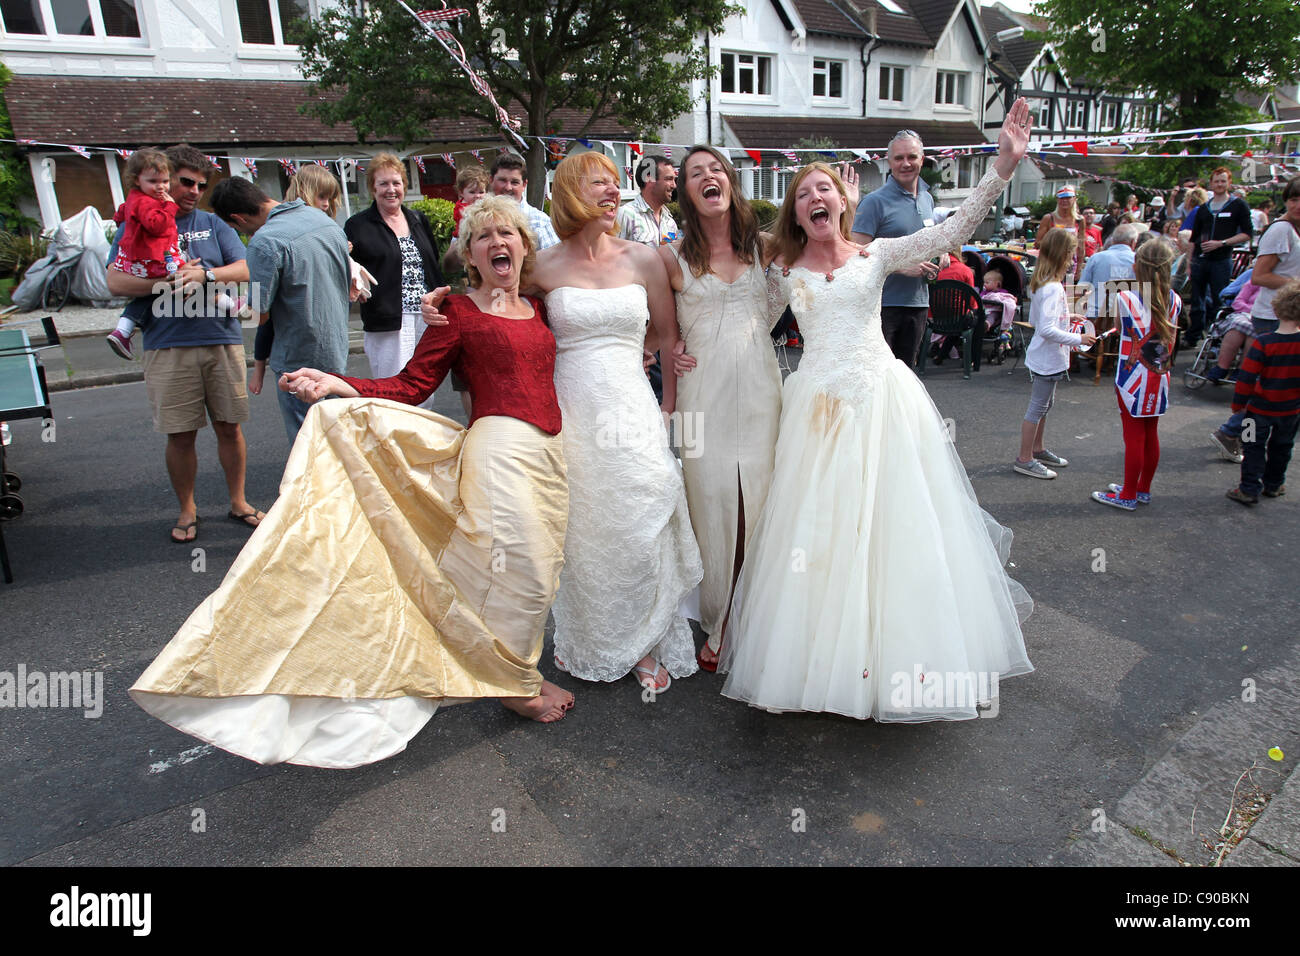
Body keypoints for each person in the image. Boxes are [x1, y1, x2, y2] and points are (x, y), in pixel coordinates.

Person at [130, 196, 574, 768]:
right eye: (483, 236)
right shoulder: (456, 313)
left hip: (552, 455)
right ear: (470, 255)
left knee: (540, 571)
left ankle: (495, 664)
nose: (497, 243)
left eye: (506, 232)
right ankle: (516, 686)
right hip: (498, 452)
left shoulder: (540, 308)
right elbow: (411, 385)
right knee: (525, 572)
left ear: (523, 245)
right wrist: (339, 383)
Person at [716, 98, 1038, 722]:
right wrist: (682, 350)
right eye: (802, 192)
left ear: (841, 201)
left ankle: (897, 663)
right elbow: (749, 325)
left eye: (823, 188)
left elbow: (949, 233)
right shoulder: (784, 271)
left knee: (895, 526)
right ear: (797, 213)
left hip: (882, 399)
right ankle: (819, 662)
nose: (814, 197)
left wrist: (1001, 169)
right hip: (817, 410)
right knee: (819, 529)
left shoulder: (877, 255)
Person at [510, 150, 701, 694]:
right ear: (570, 191)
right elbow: (493, 310)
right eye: (598, 182)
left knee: (644, 510)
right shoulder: (540, 266)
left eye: (615, 182)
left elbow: (665, 338)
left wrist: (669, 408)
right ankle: (594, 638)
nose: (612, 190)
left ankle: (644, 642)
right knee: (589, 527)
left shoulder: (644, 259)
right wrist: (439, 307)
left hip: (633, 404)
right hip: (571, 411)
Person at [657, 145, 794, 671]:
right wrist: (667, 363)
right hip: (699, 402)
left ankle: (747, 619)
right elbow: (651, 329)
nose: (708, 177)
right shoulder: (669, 259)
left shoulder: (765, 248)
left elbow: (832, 253)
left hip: (762, 392)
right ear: (685, 193)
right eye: (696, 173)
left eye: (716, 169)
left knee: (756, 502)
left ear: (730, 183)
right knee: (707, 503)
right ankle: (715, 615)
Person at [105, 145, 263, 542]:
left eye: (201, 185)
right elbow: (115, 282)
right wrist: (168, 282)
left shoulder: (214, 225)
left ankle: (239, 502)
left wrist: (204, 277)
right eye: (185, 182)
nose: (194, 190)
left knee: (230, 428)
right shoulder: (136, 222)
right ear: (163, 179)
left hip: (220, 340)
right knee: (180, 434)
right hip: (167, 344)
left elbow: (246, 267)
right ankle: (187, 509)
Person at [210, 177, 352, 444]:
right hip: (335, 348)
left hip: (297, 359)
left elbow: (258, 313)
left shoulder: (265, 241)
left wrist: (222, 302)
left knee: (308, 446)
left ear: (238, 218)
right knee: (336, 437)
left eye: (236, 228)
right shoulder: (322, 219)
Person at [344, 153, 448, 407]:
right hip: (388, 320)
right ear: (373, 188)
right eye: (383, 184)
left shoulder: (417, 219)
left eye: (397, 182)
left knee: (424, 388)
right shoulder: (358, 225)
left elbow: (431, 262)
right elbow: (344, 265)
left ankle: (420, 442)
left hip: (425, 316)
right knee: (392, 391)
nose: (391, 190)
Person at [1210, 176, 1300, 460]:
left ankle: (1241, 437)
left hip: (1287, 316)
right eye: (1293, 199)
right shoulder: (1281, 230)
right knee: (1265, 389)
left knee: (1274, 389)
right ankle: (1237, 435)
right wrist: (1296, 283)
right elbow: (1260, 276)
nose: (1297, 205)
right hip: (1272, 318)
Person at [250, 165, 355, 396]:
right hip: (327, 343)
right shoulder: (328, 229)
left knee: (308, 424)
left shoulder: (272, 236)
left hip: (302, 347)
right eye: (321, 196)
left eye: (330, 197)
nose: (326, 203)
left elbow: (259, 311)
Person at [1090, 240, 1180, 510]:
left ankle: (1128, 494)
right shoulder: (1174, 298)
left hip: (1132, 377)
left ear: (1136, 267)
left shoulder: (1126, 297)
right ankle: (1142, 489)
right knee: (1151, 433)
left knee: (1133, 436)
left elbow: (1119, 327)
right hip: (1160, 376)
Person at [851, 129, 948, 366]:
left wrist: (942, 251)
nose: (906, 163)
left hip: (918, 303)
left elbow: (929, 238)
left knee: (906, 380)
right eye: (899, 158)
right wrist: (900, 267)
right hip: (883, 307)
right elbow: (855, 251)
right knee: (878, 379)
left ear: (922, 160)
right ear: (889, 162)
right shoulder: (874, 202)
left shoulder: (927, 199)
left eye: (912, 157)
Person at [1015, 228, 1097, 479]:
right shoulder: (1052, 287)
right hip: (1048, 358)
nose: (1073, 259)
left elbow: (1037, 318)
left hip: (1047, 357)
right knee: (1038, 407)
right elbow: (1047, 328)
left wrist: (1066, 316)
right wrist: (1078, 339)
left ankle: (1036, 450)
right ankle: (1025, 457)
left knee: (1045, 405)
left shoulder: (1044, 284)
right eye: (1071, 253)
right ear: (1062, 255)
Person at [1225, 280, 1300, 505]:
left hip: (1256, 410)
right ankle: (1274, 484)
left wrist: (1238, 404)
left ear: (1276, 310)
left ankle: (1249, 487)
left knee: (1251, 446)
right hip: (1291, 410)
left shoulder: (1264, 343)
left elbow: (1246, 378)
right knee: (1283, 446)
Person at [104, 149, 181, 360]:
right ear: (136, 179)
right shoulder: (148, 202)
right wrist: (170, 206)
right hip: (153, 256)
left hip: (141, 255)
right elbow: (157, 225)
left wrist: (128, 225)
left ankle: (123, 329)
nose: (161, 187)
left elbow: (121, 213)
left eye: (165, 181)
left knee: (155, 291)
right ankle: (229, 304)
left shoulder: (134, 198)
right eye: (153, 181)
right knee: (189, 275)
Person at [1186, 167, 1253, 348]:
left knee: (1219, 299)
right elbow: (1194, 237)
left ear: (1229, 183)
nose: (1220, 184)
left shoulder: (1238, 205)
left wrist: (1222, 243)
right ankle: (1193, 336)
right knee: (1197, 300)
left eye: (1223, 181)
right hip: (1200, 259)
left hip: (1221, 260)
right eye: (1216, 181)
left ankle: (1217, 339)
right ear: (1211, 184)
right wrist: (1188, 263)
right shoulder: (1203, 209)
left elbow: (1247, 233)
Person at [488, 153, 560, 250]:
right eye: (502, 180)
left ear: (524, 185)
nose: (508, 187)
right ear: (491, 180)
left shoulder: (540, 222)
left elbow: (553, 262)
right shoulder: (477, 219)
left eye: (514, 182)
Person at [1078, 221, 1140, 319]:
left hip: (1096, 316)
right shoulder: (1138, 261)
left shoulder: (1096, 258)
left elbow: (1082, 288)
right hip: (1129, 317)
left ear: (1113, 240)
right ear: (1133, 242)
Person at [1204, 272, 1259, 384]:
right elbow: (1237, 302)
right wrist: (1250, 310)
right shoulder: (1255, 281)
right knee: (1238, 325)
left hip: (1263, 318)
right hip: (1242, 313)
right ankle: (1222, 367)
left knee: (1254, 330)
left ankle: (1242, 370)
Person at [618, 154, 680, 246]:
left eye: (674, 180)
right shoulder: (625, 214)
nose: (674, 185)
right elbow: (610, 255)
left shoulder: (670, 222)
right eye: (668, 179)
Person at [1035, 184, 1086, 278]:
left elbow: (1081, 246)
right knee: (1051, 289)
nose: (1065, 201)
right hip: (1050, 262)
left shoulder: (1079, 220)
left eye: (1068, 198)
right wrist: (1056, 244)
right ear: (1057, 200)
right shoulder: (1049, 218)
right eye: (1061, 198)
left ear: (1074, 199)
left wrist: (1079, 269)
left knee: (1068, 291)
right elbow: (1037, 243)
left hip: (1070, 263)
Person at [452, 165, 488, 237]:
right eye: (472, 192)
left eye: (481, 192)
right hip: (462, 237)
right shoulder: (463, 208)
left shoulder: (485, 204)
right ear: (461, 193)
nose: (477, 196)